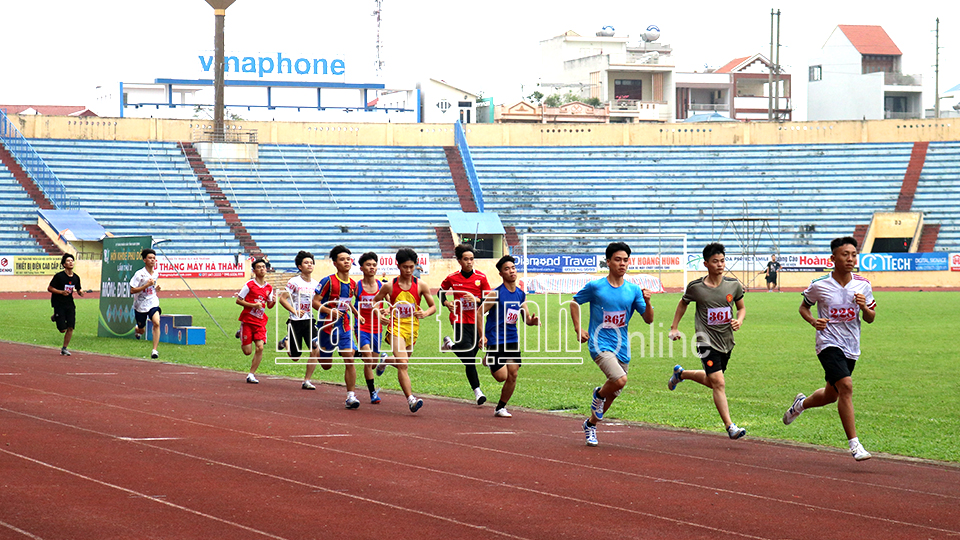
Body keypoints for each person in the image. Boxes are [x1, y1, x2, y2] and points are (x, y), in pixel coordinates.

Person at [783, 236, 876, 461]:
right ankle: (855, 445)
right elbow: (804, 307)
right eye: (845, 255)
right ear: (833, 258)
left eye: (854, 255)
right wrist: (813, 321)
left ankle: (800, 404)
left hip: (851, 346)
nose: (850, 259)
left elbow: (871, 318)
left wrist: (864, 307)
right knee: (846, 386)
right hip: (827, 343)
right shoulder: (819, 285)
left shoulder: (863, 284)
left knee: (831, 395)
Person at [570, 242, 654, 447]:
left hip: (621, 346)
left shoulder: (633, 290)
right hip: (599, 343)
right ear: (608, 262)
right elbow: (574, 302)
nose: (622, 263)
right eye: (617, 259)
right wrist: (578, 329)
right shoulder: (596, 287)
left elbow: (648, 319)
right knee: (619, 379)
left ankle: (590, 424)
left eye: (625, 260)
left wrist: (648, 301)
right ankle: (598, 394)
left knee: (614, 392)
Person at [667, 243, 748, 440]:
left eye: (722, 261)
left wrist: (739, 320)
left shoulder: (733, 285)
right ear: (706, 264)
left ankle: (681, 374)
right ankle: (730, 426)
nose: (720, 265)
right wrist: (674, 327)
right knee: (719, 382)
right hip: (705, 342)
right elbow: (683, 303)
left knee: (713, 382)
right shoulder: (696, 287)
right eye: (715, 261)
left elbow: (741, 308)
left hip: (726, 341)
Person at [371, 248, 437, 413]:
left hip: (412, 328)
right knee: (403, 364)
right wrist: (379, 314)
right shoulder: (389, 286)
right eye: (405, 267)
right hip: (396, 328)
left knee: (404, 361)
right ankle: (411, 399)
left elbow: (433, 307)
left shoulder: (420, 285)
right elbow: (375, 301)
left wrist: (425, 313)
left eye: (411, 267)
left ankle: (386, 360)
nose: (408, 270)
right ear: (398, 266)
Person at [479, 255, 540, 418]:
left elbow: (526, 319)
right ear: (501, 273)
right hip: (495, 339)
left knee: (513, 374)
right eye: (507, 269)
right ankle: (489, 359)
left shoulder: (520, 294)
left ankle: (500, 407)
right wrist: (482, 336)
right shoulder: (496, 294)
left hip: (512, 339)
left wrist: (532, 321)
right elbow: (479, 312)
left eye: (513, 268)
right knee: (502, 377)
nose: (511, 271)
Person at [440, 243, 492, 405]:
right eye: (466, 259)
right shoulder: (452, 277)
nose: (469, 262)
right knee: (469, 357)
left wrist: (477, 300)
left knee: (471, 355)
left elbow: (489, 298)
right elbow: (441, 291)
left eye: (471, 259)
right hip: (458, 319)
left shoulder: (481, 278)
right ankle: (478, 392)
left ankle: (450, 345)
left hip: (476, 321)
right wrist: (446, 303)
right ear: (459, 261)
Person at [311, 245, 362, 408]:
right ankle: (317, 346)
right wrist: (329, 311)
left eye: (348, 259)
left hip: (344, 325)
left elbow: (348, 302)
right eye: (342, 259)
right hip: (327, 326)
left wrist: (357, 314)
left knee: (349, 358)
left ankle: (351, 397)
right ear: (335, 263)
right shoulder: (328, 281)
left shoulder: (353, 284)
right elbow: (315, 302)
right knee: (326, 366)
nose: (346, 262)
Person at [277, 250, 319, 389]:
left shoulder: (316, 284)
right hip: (295, 322)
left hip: (309, 321)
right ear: (300, 266)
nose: (310, 265)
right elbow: (282, 299)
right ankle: (285, 341)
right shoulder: (294, 282)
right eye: (306, 263)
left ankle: (307, 380)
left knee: (315, 349)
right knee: (295, 356)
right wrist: (294, 311)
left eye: (311, 262)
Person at [237, 258, 277, 384]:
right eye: (259, 267)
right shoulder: (249, 285)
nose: (262, 269)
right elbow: (238, 300)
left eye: (263, 267)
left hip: (260, 322)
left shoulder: (269, 287)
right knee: (247, 351)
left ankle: (251, 374)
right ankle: (241, 333)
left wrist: (273, 302)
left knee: (260, 348)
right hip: (248, 321)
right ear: (254, 271)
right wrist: (253, 305)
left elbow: (269, 305)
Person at [355, 252, 388, 404]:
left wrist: (386, 311)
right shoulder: (357, 287)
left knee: (372, 363)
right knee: (368, 359)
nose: (372, 267)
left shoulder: (382, 286)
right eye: (368, 265)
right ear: (361, 268)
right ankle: (373, 393)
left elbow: (391, 303)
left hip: (377, 328)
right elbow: (348, 303)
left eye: (374, 265)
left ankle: (381, 360)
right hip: (361, 327)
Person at [47, 253, 84, 356]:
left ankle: (64, 348)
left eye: (72, 261)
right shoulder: (59, 276)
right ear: (64, 264)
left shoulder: (76, 277)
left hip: (69, 304)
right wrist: (61, 292)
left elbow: (78, 288)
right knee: (62, 329)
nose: (71, 262)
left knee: (71, 327)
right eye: (68, 261)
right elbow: (50, 288)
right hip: (59, 303)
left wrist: (80, 292)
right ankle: (57, 317)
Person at [129, 248, 162, 359]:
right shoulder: (139, 274)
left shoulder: (156, 273)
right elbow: (132, 290)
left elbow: (152, 287)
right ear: (144, 260)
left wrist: (156, 288)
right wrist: (146, 285)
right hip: (140, 304)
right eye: (150, 258)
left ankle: (154, 350)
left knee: (156, 322)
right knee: (141, 330)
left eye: (154, 258)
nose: (152, 260)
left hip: (152, 301)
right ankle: (137, 329)